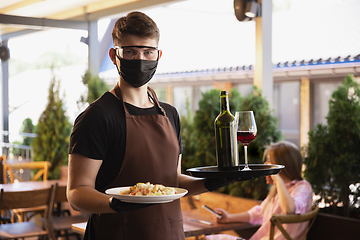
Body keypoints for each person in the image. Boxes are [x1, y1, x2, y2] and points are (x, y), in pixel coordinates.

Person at [67, 11, 238, 240]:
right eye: (130, 52)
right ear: (113, 55)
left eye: (148, 52)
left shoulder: (170, 114)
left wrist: (211, 182)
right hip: (117, 233)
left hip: (169, 232)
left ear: (158, 55)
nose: (140, 59)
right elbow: (77, 192)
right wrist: (115, 204)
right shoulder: (97, 117)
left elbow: (172, 181)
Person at [206, 141, 313, 240]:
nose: (265, 164)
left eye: (269, 161)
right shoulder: (277, 190)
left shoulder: (303, 187)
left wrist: (278, 179)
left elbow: (290, 210)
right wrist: (229, 218)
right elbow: (258, 213)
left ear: (283, 164)